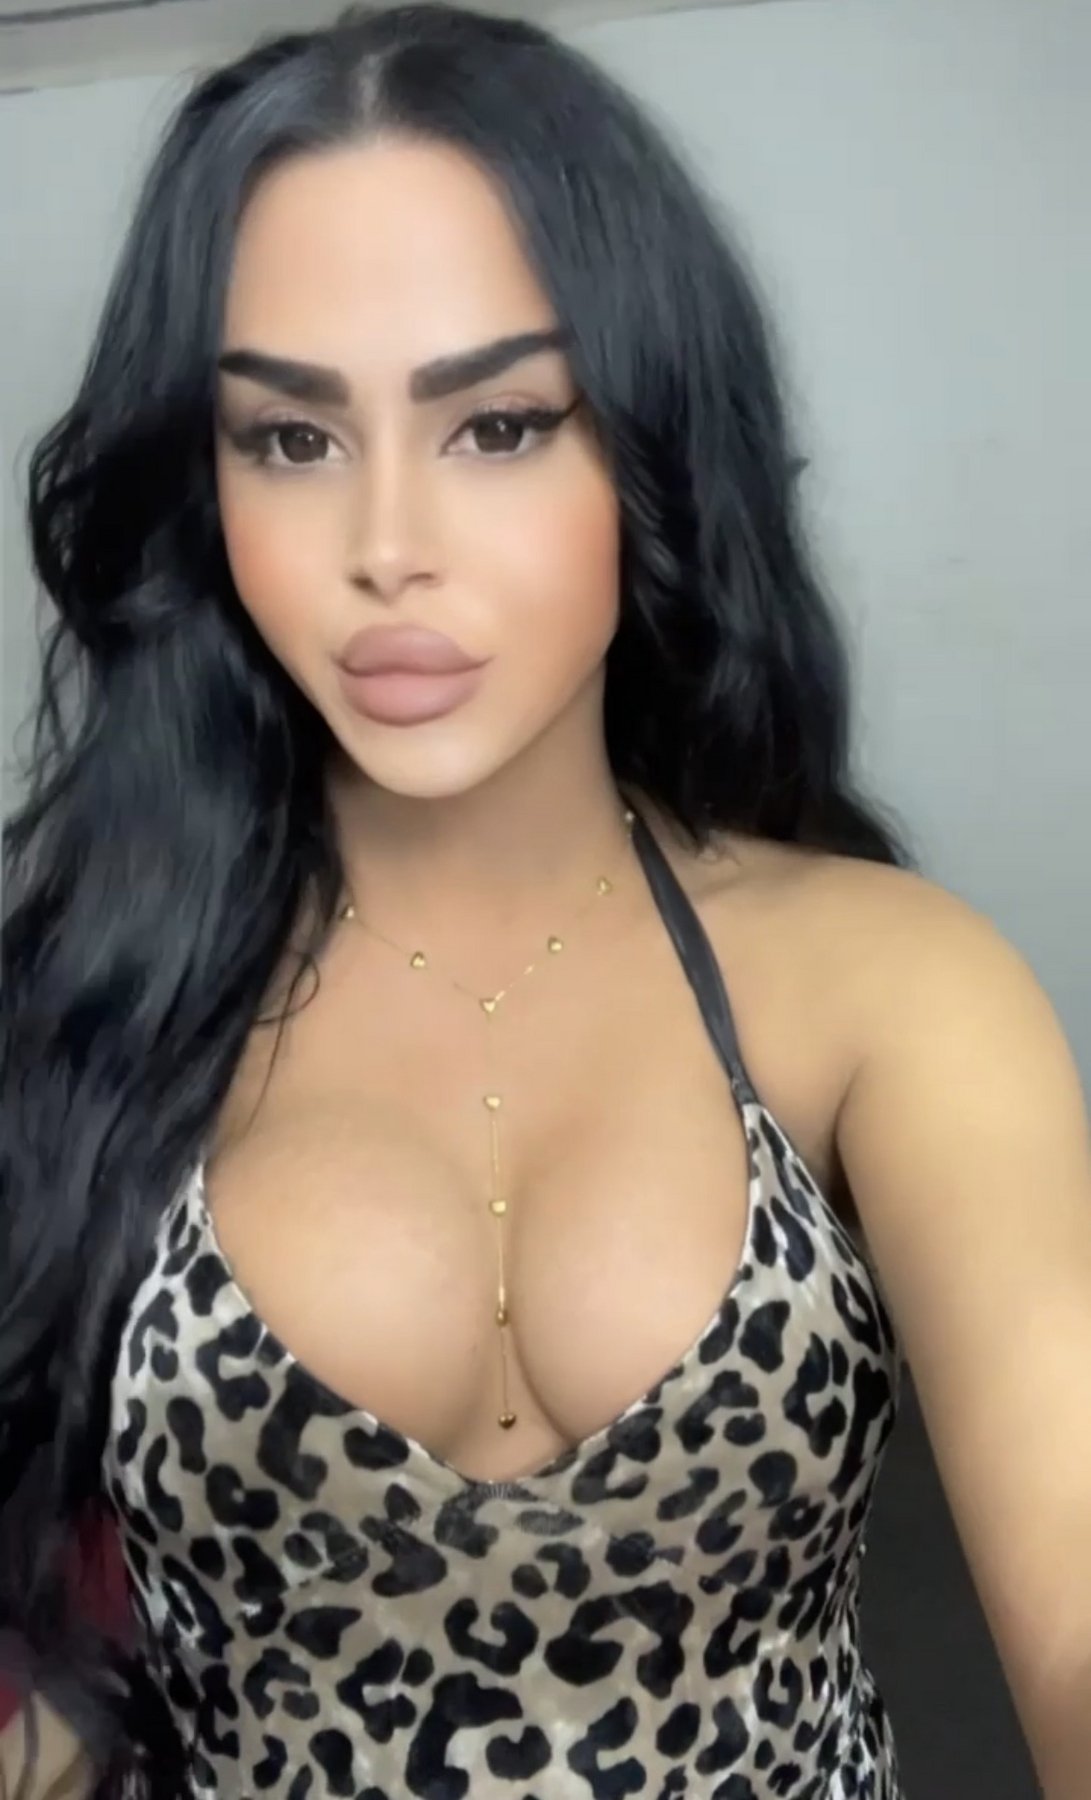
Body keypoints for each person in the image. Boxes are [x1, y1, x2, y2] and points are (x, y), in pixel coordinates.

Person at [2, 4, 1090, 1796]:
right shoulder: (92, 998)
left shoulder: (888, 989)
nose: (386, 547)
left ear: (648, 447)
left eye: (498, 424)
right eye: (289, 439)